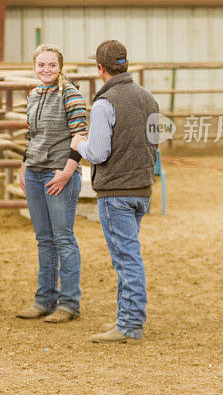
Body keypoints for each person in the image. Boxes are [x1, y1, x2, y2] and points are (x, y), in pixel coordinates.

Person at [71, 40, 159, 343]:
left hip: (115, 190)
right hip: (141, 189)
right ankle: (126, 316)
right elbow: (154, 144)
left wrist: (77, 144)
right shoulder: (149, 99)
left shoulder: (104, 104)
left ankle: (130, 323)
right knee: (128, 253)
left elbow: (97, 152)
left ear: (100, 68)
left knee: (126, 257)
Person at [16, 44, 88, 323]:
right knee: (44, 239)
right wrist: (24, 164)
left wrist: (68, 172)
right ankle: (44, 299)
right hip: (35, 172)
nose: (46, 70)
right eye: (41, 65)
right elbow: (32, 135)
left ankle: (69, 303)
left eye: (52, 65)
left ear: (60, 67)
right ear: (34, 67)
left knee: (64, 238)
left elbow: (80, 136)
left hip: (58, 174)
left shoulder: (70, 94)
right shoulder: (33, 95)